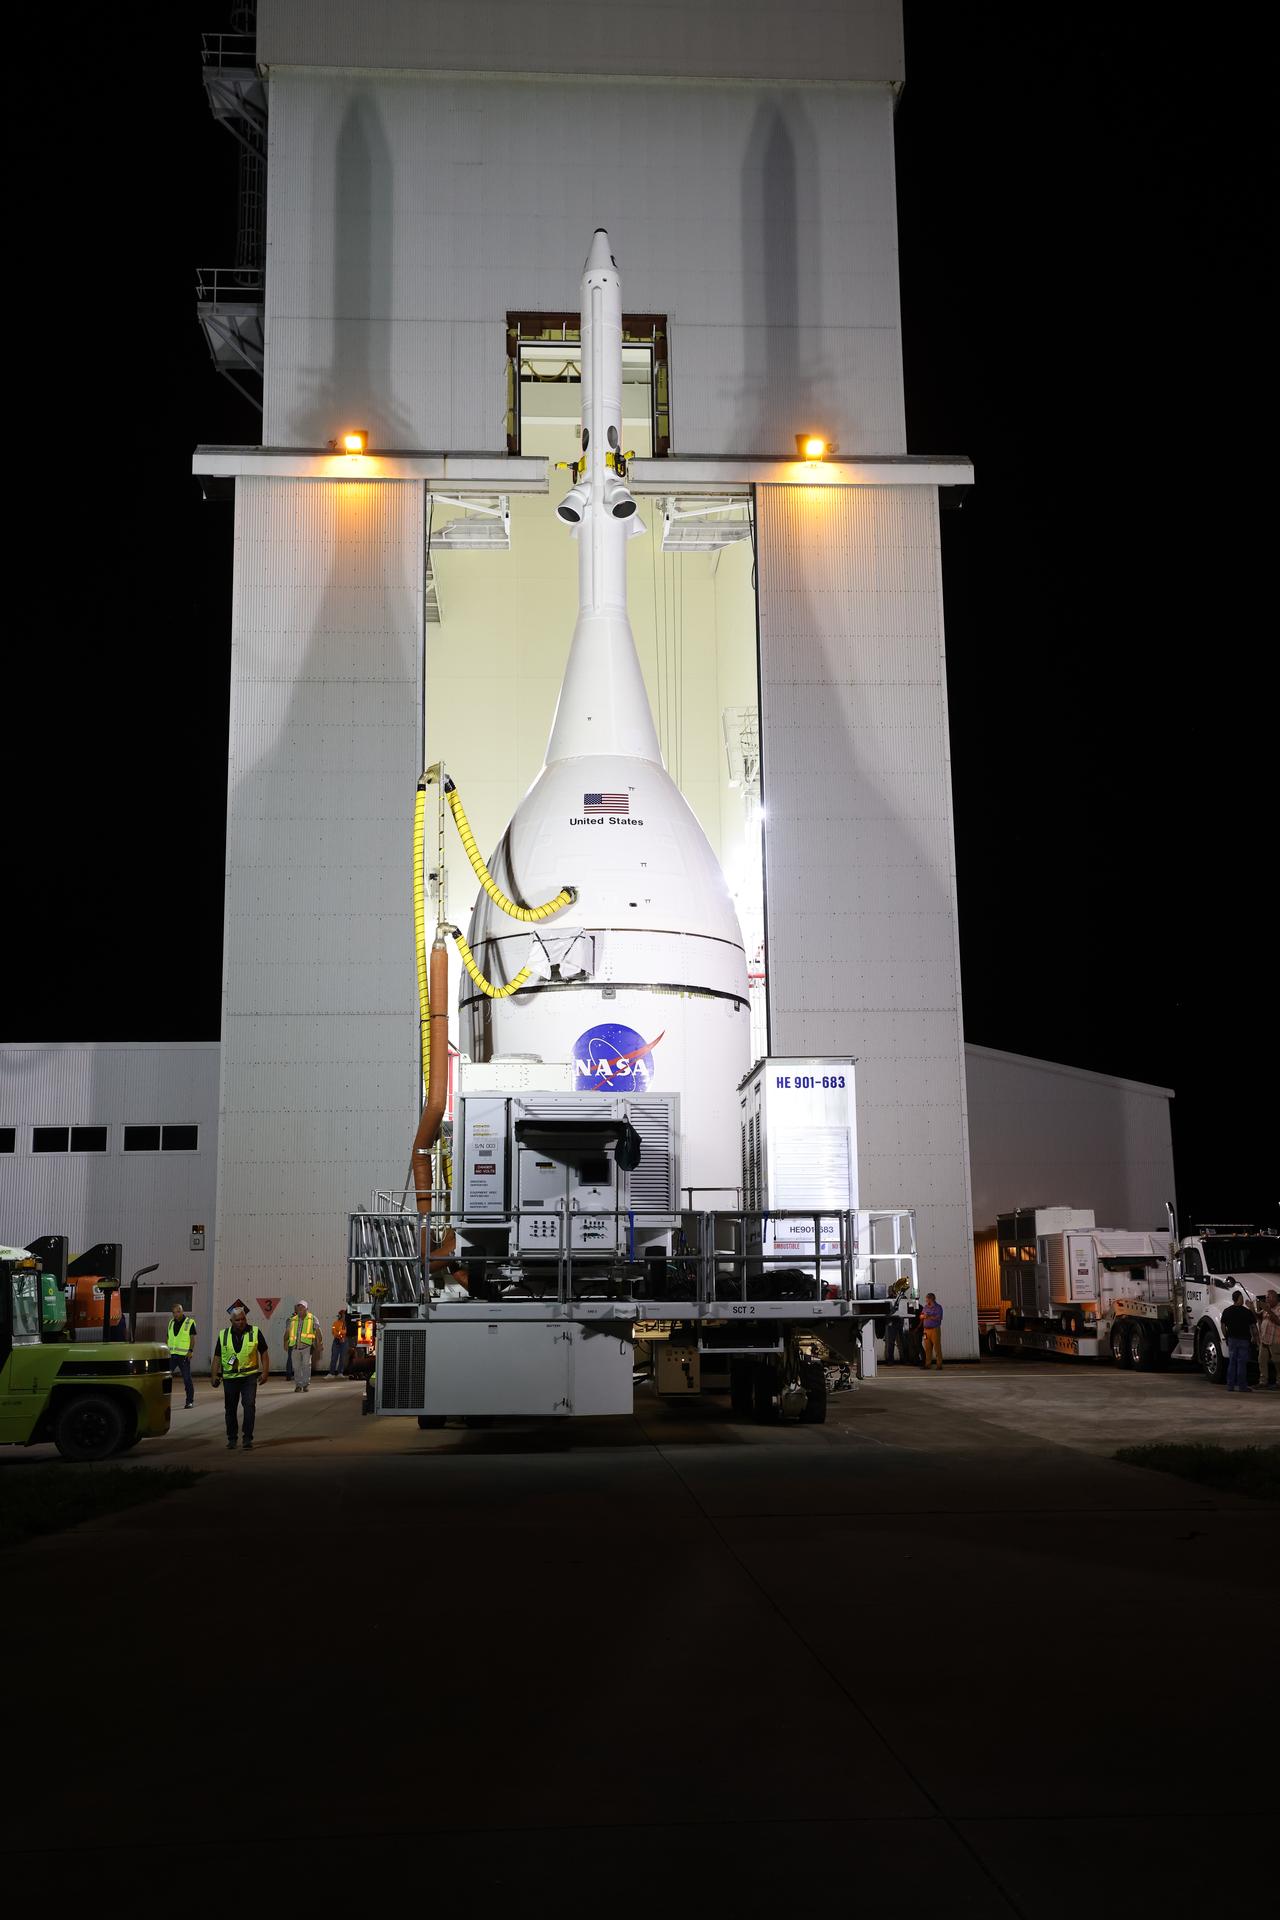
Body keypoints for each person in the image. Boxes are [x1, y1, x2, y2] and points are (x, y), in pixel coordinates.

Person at [211, 1301, 269, 1449]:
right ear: (231, 1321)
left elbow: (264, 1352)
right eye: (237, 1320)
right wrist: (214, 1375)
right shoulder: (223, 1335)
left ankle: (247, 1438)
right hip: (230, 1379)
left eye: (243, 1319)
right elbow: (217, 1357)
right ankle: (232, 1438)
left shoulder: (255, 1331)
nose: (241, 1322)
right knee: (230, 1409)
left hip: (249, 1377)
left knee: (249, 1406)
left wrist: (265, 1372)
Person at [284, 1299, 322, 1392]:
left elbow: (318, 1332)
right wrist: (285, 1342)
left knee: (306, 1365)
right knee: (296, 1367)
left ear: (306, 1309)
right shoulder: (292, 1320)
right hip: (294, 1347)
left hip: (306, 1347)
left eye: (302, 1307)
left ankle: (305, 1385)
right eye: (298, 1307)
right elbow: (287, 1332)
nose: (300, 1309)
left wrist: (319, 1343)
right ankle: (298, 1385)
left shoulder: (313, 1318)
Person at [1222, 1290, 1256, 1393]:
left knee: (1232, 1362)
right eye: (1241, 1297)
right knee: (1242, 1363)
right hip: (1244, 1340)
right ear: (1239, 1298)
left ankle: (1230, 1386)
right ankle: (1242, 1386)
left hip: (1232, 1339)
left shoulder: (1227, 1311)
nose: (1242, 1299)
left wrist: (1226, 1336)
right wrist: (1255, 1337)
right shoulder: (1246, 1312)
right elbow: (1253, 1325)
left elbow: (1223, 1325)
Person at [167, 1301, 197, 1408]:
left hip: (183, 1356)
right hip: (172, 1355)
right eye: (174, 1312)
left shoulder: (189, 1322)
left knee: (187, 1379)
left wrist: (190, 1351)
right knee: (165, 1378)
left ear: (182, 1311)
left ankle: (189, 1401)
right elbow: (169, 1338)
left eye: (178, 1311)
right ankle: (163, 1401)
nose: (176, 1314)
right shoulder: (171, 1323)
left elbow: (192, 1338)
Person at [1256, 1289, 1280, 1389]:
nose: (1266, 1299)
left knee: (1277, 1362)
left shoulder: (1278, 1308)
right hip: (1264, 1339)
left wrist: (1268, 1310)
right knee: (1261, 1360)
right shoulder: (1267, 1308)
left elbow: (1278, 1322)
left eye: (1268, 1297)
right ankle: (1263, 1381)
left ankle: (1279, 1382)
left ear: (1275, 1298)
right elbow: (1259, 1317)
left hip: (1275, 1340)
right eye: (1266, 1297)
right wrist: (1253, 1309)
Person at [884, 1286, 911, 1365]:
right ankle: (890, 1360)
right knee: (890, 1343)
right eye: (891, 1290)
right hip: (892, 1323)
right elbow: (886, 1311)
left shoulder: (902, 1297)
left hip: (901, 1322)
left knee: (904, 1342)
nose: (892, 1292)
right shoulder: (888, 1299)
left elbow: (907, 1306)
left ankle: (905, 1360)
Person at [921, 1292, 944, 1370]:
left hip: (935, 1329)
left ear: (931, 1299)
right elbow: (921, 1316)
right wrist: (923, 1316)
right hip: (926, 1330)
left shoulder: (938, 1307)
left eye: (927, 1299)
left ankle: (939, 1365)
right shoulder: (925, 1307)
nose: (926, 1300)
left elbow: (938, 1317)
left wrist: (929, 1316)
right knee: (927, 1348)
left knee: (937, 1347)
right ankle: (927, 1364)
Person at [329, 1310, 351, 1379]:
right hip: (336, 1341)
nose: (344, 1316)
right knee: (334, 1357)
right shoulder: (335, 1323)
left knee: (343, 1357)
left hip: (345, 1341)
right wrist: (340, 1336)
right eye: (343, 1315)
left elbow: (346, 1332)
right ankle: (331, 1373)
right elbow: (334, 1332)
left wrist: (341, 1334)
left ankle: (340, 1372)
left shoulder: (347, 1324)